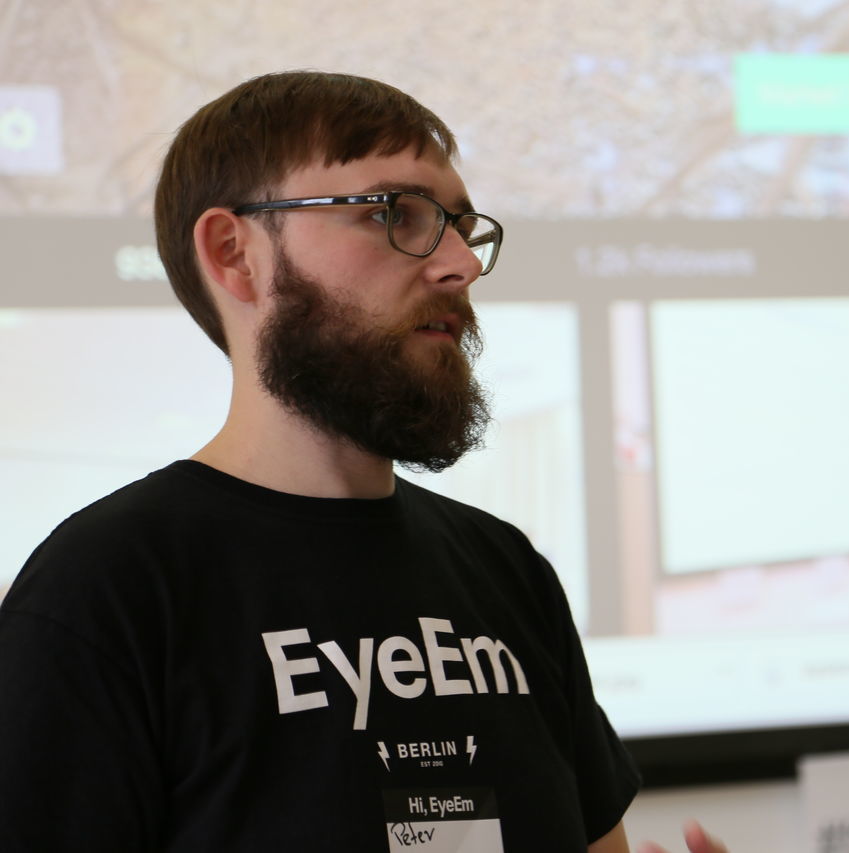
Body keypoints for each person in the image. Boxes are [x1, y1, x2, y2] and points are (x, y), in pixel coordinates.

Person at [0, 71, 724, 853]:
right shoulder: (107, 591)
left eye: (461, 227)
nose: (460, 266)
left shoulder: (506, 571)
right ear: (234, 252)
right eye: (395, 213)